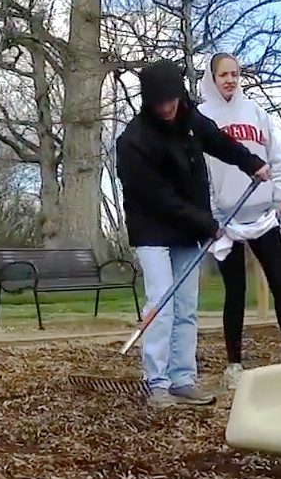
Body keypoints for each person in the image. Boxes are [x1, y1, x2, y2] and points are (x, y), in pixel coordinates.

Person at [115, 59, 269, 410]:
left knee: (186, 307)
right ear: (148, 102)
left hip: (188, 229)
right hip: (152, 228)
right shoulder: (133, 142)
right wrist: (207, 224)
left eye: (172, 99)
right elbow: (159, 198)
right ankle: (157, 383)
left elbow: (222, 143)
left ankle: (182, 379)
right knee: (162, 303)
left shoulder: (190, 119)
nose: (167, 107)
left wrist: (252, 163)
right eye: (160, 102)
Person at [196, 52, 281, 390]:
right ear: (211, 78)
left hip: (263, 215)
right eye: (223, 74)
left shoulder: (257, 113)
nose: (230, 79)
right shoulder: (201, 117)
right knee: (235, 292)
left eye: (234, 73)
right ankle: (234, 364)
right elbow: (200, 171)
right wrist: (211, 214)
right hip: (226, 220)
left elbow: (276, 157)